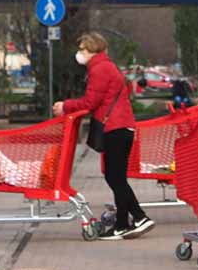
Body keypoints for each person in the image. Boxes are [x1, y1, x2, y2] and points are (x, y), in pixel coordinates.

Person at [52, 32, 152, 241]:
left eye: (82, 50)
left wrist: (65, 106)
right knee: (116, 177)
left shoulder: (99, 69)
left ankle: (139, 217)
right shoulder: (107, 66)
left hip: (114, 128)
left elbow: (90, 102)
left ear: (93, 50)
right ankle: (123, 223)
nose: (79, 54)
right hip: (122, 126)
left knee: (114, 177)